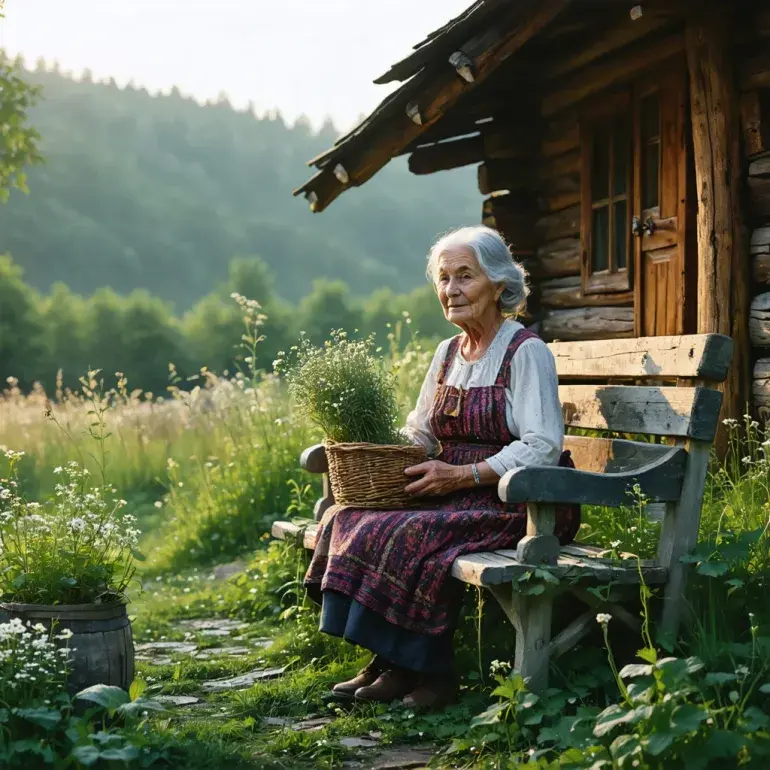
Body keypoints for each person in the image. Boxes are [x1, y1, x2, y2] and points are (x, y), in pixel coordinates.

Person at [304, 225, 580, 708]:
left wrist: (464, 474)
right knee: (349, 517)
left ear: (498, 285)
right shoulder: (447, 353)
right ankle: (391, 661)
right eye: (444, 278)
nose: (451, 290)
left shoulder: (525, 351)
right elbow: (422, 431)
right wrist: (388, 453)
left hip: (519, 501)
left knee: (410, 535)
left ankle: (431, 674)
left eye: (465, 276)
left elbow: (542, 446)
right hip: (453, 493)